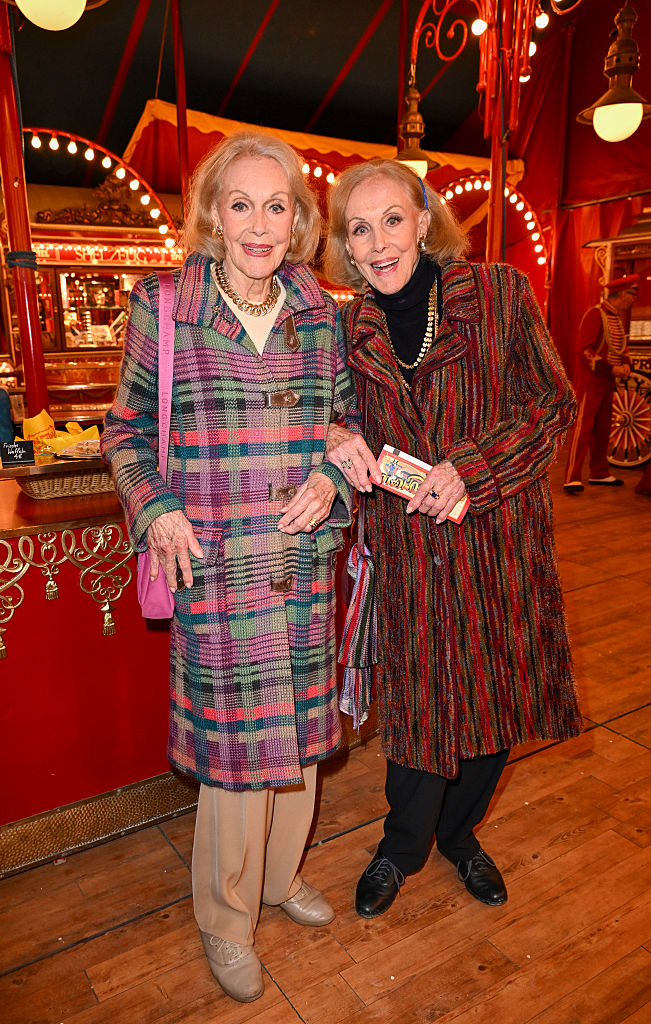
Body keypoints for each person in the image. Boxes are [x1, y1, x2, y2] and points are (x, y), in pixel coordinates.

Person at [101, 131, 361, 1003]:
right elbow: (125, 430)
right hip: (213, 569)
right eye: (240, 204)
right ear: (212, 214)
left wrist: (332, 478)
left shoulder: (324, 312)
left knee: (299, 748)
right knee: (235, 760)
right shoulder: (164, 305)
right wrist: (157, 505)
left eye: (276, 206)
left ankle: (279, 880)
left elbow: (350, 427)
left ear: (299, 222)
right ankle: (224, 916)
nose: (259, 224)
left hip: (300, 564)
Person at [323, 158, 582, 920]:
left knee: (493, 702)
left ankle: (461, 835)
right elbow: (334, 417)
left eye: (391, 220)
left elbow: (554, 404)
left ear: (424, 220)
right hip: (407, 555)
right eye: (359, 228)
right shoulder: (345, 328)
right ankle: (400, 847)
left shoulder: (498, 295)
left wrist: (472, 468)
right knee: (415, 711)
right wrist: (336, 435)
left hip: (497, 545)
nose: (377, 242)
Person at [563, 273, 639, 492]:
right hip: (591, 380)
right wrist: (610, 367)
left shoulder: (616, 317)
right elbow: (582, 350)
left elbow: (620, 346)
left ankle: (599, 471)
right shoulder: (596, 314)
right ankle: (572, 476)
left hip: (607, 380)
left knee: (604, 427)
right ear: (623, 294)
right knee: (583, 427)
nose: (634, 299)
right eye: (633, 294)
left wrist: (625, 364)